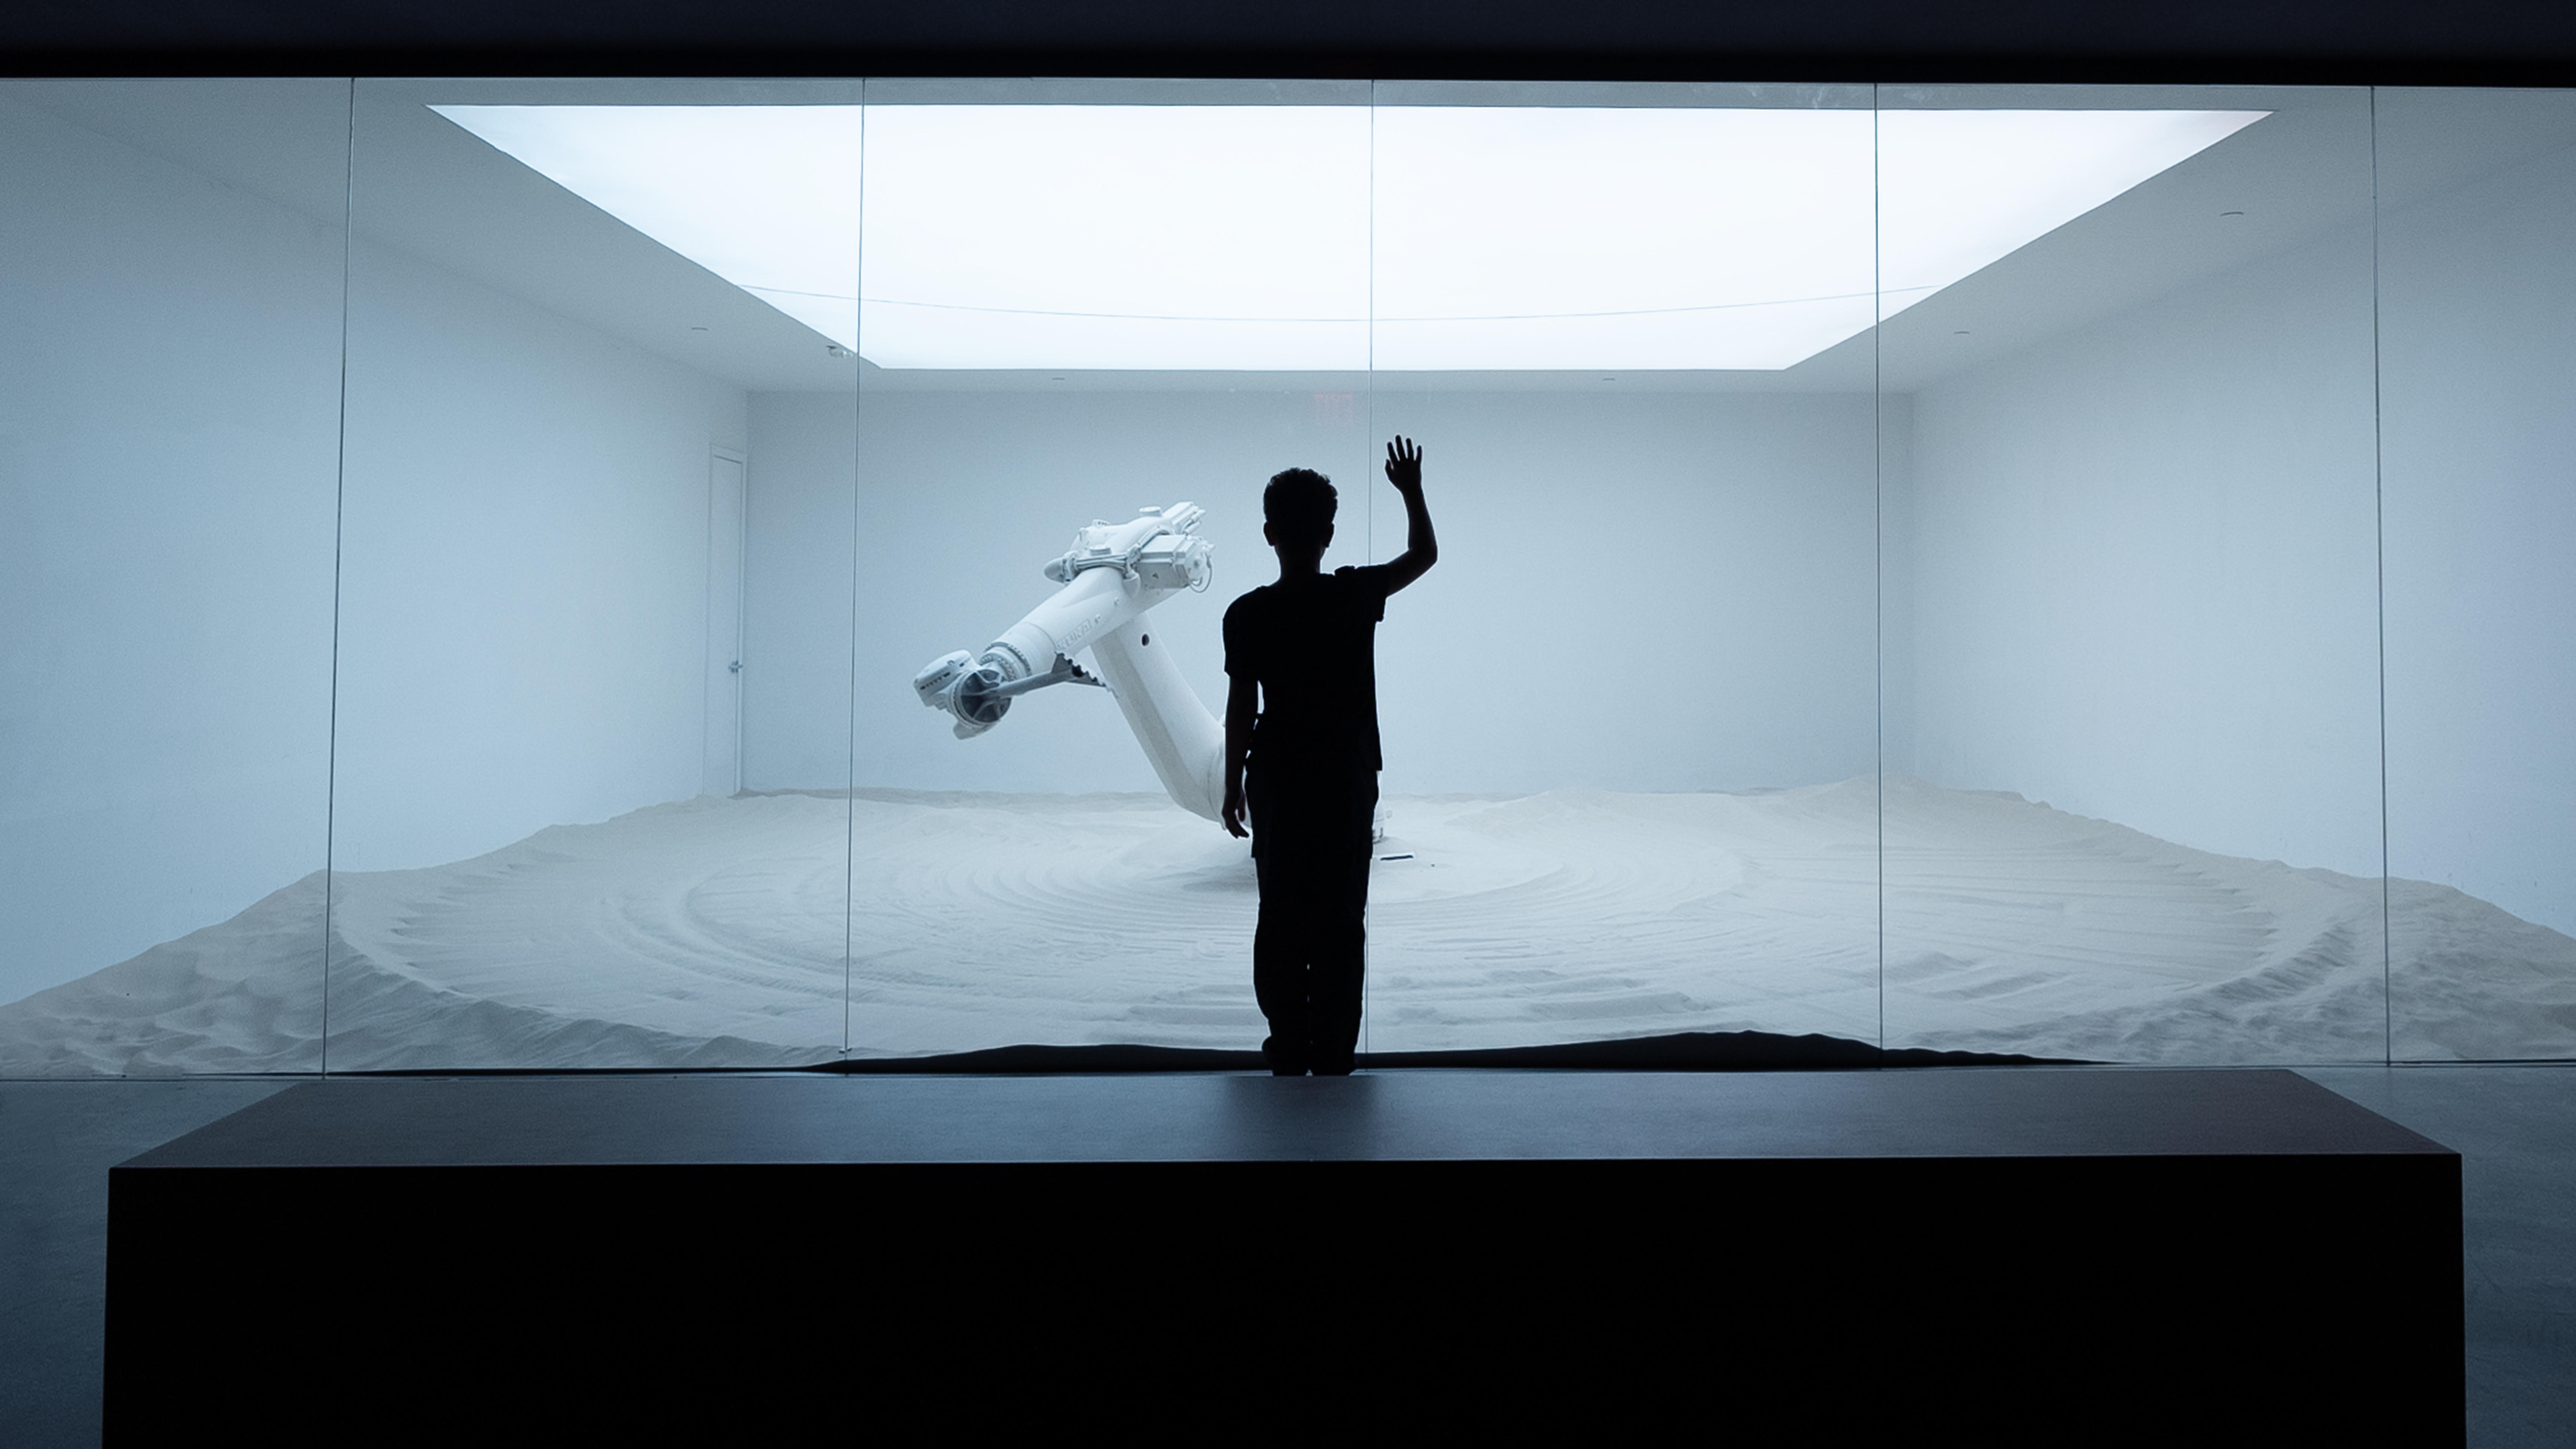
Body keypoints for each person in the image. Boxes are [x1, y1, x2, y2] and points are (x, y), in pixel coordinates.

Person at [1220, 436, 1438, 1076]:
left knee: (1281, 914)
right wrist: (1412, 492)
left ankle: (1288, 1045)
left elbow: (1241, 707)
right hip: (1343, 778)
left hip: (1278, 778)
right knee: (1341, 916)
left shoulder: (1248, 614)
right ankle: (1335, 1049)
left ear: (1269, 534)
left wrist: (1232, 782)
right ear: (1330, 534)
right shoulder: (1352, 595)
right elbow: (1423, 555)